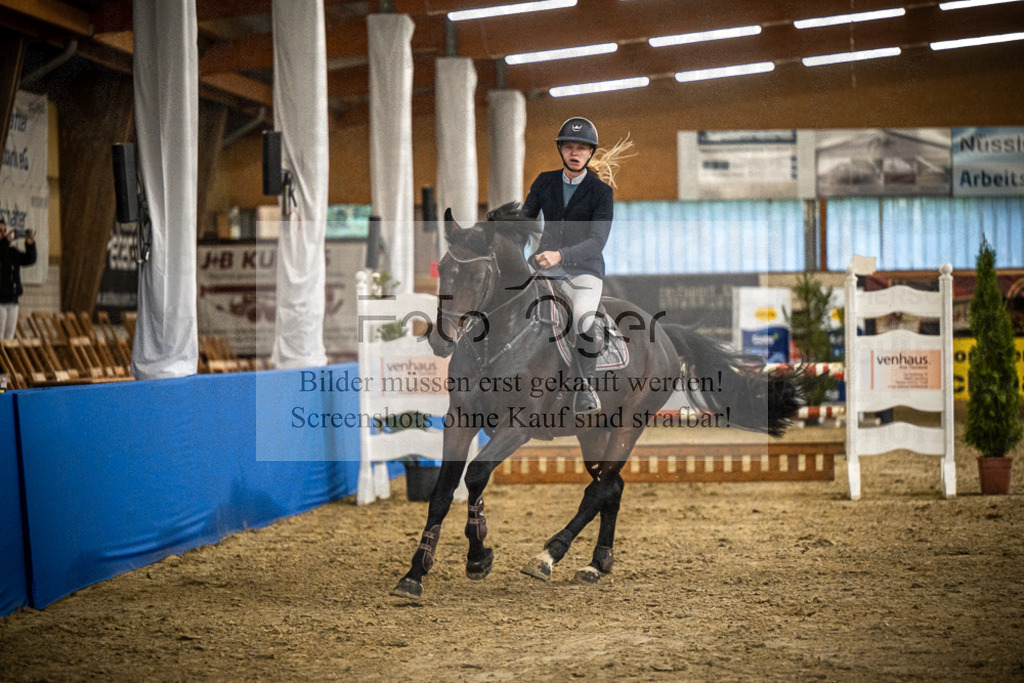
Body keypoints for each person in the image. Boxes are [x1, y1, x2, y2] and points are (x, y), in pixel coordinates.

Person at [522, 117, 619, 415]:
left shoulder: (601, 192)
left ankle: (584, 387)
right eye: (569, 147)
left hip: (584, 271)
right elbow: (525, 221)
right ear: (561, 150)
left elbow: (596, 241)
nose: (574, 153)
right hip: (544, 269)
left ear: (590, 153)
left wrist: (560, 256)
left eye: (581, 148)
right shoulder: (544, 181)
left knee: (581, 318)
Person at [0, 219, 37, 339]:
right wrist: (5, 241)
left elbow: (28, 260)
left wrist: (30, 245)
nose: (4, 233)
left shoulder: (12, 252)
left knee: (9, 336)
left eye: (5, 230)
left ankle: (7, 357)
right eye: (0, 231)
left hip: (13, 299)